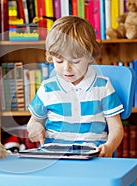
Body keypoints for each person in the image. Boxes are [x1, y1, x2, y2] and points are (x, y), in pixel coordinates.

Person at [27, 16, 124, 157]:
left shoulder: (102, 86)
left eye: (76, 61)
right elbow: (34, 121)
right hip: (53, 155)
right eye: (59, 61)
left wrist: (109, 146)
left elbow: (116, 127)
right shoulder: (47, 88)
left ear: (90, 56)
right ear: (50, 57)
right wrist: (35, 127)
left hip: (91, 154)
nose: (67, 68)